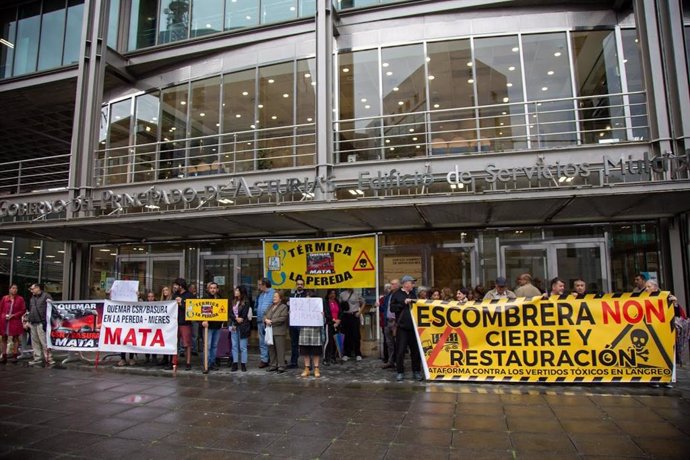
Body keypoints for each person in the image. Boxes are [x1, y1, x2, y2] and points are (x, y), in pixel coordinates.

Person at [390, 275, 423, 381]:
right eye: (411, 282)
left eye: (413, 283)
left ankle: (416, 371)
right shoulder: (397, 294)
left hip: (413, 327)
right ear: (405, 283)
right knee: (400, 350)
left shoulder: (414, 294)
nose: (413, 285)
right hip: (402, 328)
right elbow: (392, 308)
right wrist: (402, 303)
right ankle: (400, 372)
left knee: (415, 351)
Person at [27, 283, 54, 367]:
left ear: (37, 288)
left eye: (32, 289)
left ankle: (49, 358)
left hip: (41, 322)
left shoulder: (46, 296)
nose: (31, 291)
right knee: (35, 342)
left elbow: (52, 306)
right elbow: (31, 309)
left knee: (44, 341)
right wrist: (28, 320)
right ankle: (37, 358)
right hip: (33, 322)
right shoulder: (32, 298)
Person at [202, 282, 225, 374]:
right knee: (207, 346)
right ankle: (206, 364)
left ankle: (212, 363)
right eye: (211, 288)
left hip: (217, 326)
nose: (212, 290)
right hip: (208, 326)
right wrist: (202, 321)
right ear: (208, 289)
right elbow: (200, 313)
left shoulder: (220, 299)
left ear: (217, 289)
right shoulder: (204, 299)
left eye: (214, 288)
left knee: (214, 346)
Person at [299, 296, 324, 378]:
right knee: (305, 351)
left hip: (315, 332)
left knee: (316, 351)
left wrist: (322, 316)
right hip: (304, 331)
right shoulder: (301, 309)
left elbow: (323, 321)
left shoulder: (318, 309)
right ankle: (307, 368)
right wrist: (293, 314)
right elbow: (296, 319)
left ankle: (316, 368)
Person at [0, 284, 27, 364]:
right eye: (13, 288)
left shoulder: (20, 299)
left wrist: (14, 315)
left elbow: (23, 310)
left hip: (15, 320)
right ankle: (4, 356)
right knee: (4, 337)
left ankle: (15, 356)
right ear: (9, 289)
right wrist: (3, 316)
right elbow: (1, 309)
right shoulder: (5, 298)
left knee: (15, 338)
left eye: (16, 288)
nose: (15, 290)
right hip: (4, 320)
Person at [264, 291, 288, 373]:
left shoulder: (284, 307)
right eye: (273, 297)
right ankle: (273, 365)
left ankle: (281, 366)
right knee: (271, 349)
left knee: (280, 349)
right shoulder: (270, 306)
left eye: (276, 297)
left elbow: (282, 318)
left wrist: (271, 321)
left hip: (279, 331)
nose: (274, 298)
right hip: (270, 331)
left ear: (280, 298)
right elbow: (265, 314)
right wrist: (265, 319)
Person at [173, 278, 195, 370]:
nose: (174, 287)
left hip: (185, 323)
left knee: (187, 344)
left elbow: (192, 309)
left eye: (176, 285)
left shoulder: (189, 296)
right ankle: (174, 362)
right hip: (174, 323)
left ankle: (188, 362)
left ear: (181, 286)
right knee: (174, 343)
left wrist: (181, 303)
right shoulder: (174, 295)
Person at [229, 285, 250, 372]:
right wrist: (235, 319)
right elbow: (230, 313)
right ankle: (235, 363)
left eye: (237, 291)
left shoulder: (246, 302)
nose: (235, 292)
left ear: (241, 292)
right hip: (234, 324)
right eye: (235, 290)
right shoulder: (233, 301)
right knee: (234, 345)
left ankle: (243, 363)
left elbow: (244, 315)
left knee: (243, 346)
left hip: (243, 326)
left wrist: (239, 319)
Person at [339, 287, 365, 361]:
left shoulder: (357, 294)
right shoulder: (342, 294)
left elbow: (363, 303)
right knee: (346, 335)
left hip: (354, 315)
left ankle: (358, 353)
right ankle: (346, 353)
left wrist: (359, 312)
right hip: (346, 315)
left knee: (356, 335)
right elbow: (340, 305)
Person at [255, 278, 275, 368]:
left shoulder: (273, 293)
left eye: (260, 284)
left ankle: (273, 359)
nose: (258, 286)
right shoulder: (260, 294)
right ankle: (264, 359)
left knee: (271, 341)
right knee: (262, 341)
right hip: (260, 321)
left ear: (264, 285)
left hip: (269, 321)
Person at [288, 277, 307, 369]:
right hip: (293, 322)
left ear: (304, 285)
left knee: (305, 343)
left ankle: (308, 364)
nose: (299, 286)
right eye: (298, 284)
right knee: (294, 343)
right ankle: (293, 362)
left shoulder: (307, 295)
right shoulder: (292, 295)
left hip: (302, 323)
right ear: (296, 285)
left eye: (301, 284)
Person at [381, 279, 399, 370]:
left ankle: (398, 362)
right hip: (387, 321)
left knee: (398, 343)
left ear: (397, 285)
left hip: (396, 322)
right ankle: (391, 361)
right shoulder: (388, 296)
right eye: (391, 284)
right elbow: (384, 307)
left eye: (393, 284)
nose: (391, 286)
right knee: (389, 343)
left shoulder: (400, 295)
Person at [323, 289, 341, 365]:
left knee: (335, 341)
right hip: (329, 323)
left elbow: (341, 311)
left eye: (334, 293)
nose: (333, 295)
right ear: (328, 294)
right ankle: (325, 358)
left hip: (337, 323)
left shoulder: (337, 301)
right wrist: (333, 320)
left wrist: (339, 320)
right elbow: (326, 313)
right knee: (328, 341)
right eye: (331, 293)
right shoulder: (326, 302)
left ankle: (333, 357)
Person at [157, 286, 174, 367]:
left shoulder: (172, 301)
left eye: (167, 290)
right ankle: (165, 358)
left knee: (170, 342)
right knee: (164, 341)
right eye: (163, 290)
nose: (165, 291)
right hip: (163, 325)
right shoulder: (162, 301)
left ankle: (171, 360)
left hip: (171, 325)